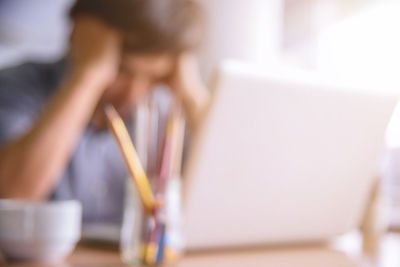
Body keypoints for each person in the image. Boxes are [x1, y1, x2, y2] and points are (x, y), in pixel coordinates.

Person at [0, 0, 209, 224]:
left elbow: (239, 189)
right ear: (78, 36)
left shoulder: (165, 110)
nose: (133, 93)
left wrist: (193, 95)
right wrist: (88, 76)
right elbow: (10, 200)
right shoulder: (15, 87)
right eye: (122, 69)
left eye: (154, 77)